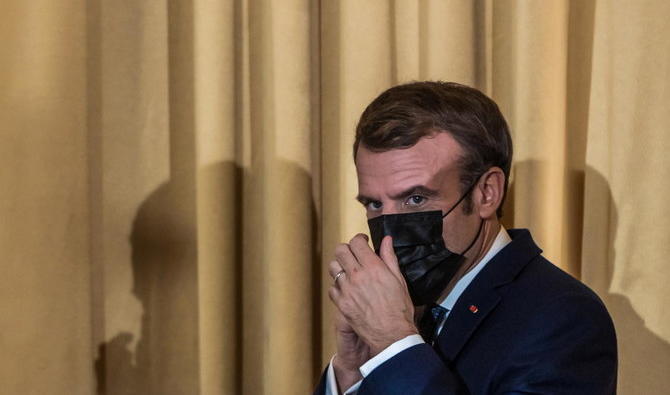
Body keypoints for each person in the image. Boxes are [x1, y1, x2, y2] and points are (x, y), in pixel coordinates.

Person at [313, 81, 617, 395]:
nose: (389, 233)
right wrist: (351, 371)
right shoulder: (402, 302)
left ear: (487, 193)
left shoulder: (564, 318)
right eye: (375, 204)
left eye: (416, 199)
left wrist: (394, 342)